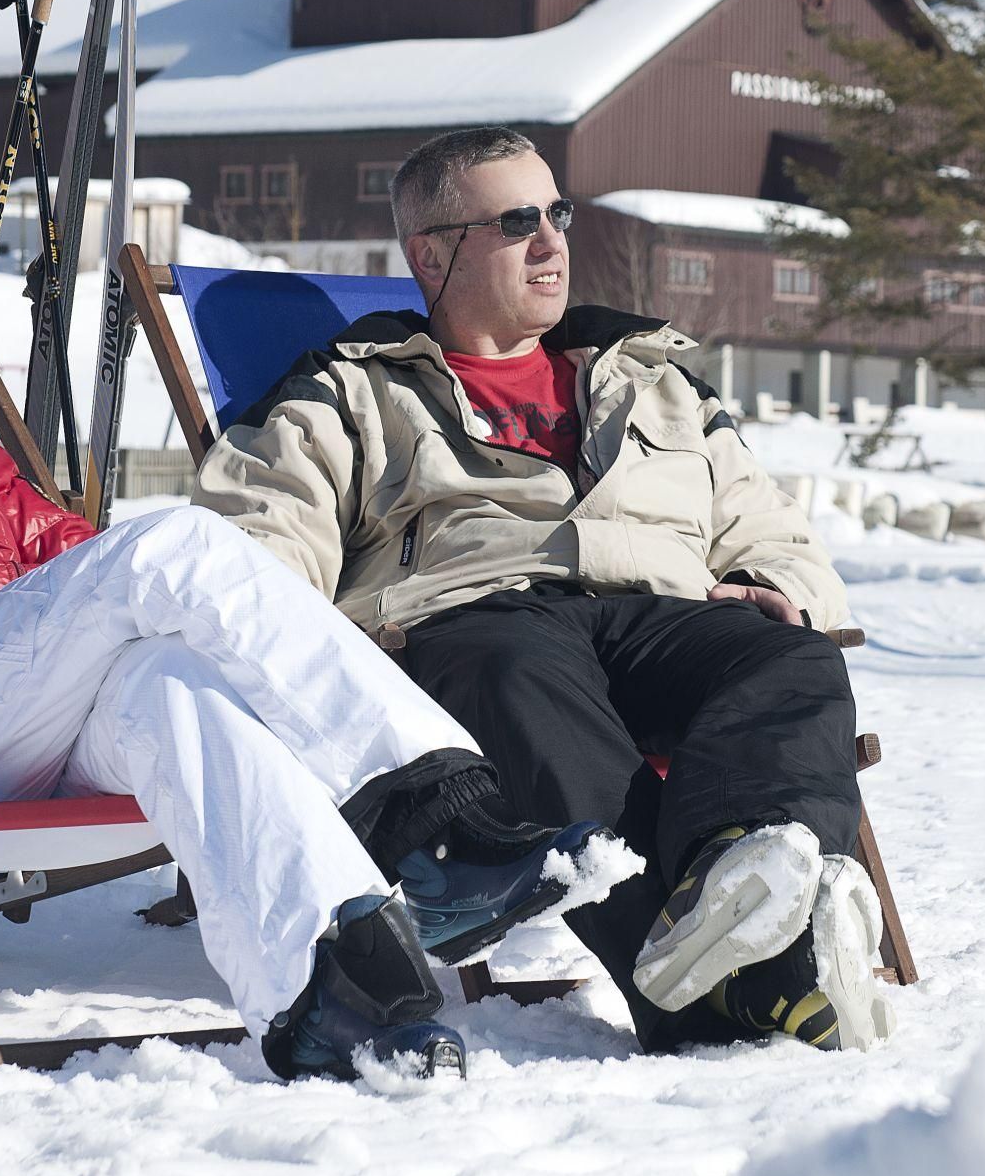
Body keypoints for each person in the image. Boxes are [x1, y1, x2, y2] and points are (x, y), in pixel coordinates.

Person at [0, 187, 619, 1083]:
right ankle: (437, 822)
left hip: (11, 715)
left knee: (169, 675)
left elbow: (74, 562)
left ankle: (334, 990)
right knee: (173, 545)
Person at [196, 128, 893, 1054]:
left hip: (662, 617)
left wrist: (770, 585)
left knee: (792, 659)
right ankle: (742, 984)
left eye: (556, 214)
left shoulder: (656, 380)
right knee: (516, 672)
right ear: (431, 255)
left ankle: (746, 875)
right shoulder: (348, 391)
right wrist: (344, 669)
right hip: (478, 621)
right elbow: (258, 550)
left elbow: (774, 531)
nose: (552, 242)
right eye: (516, 222)